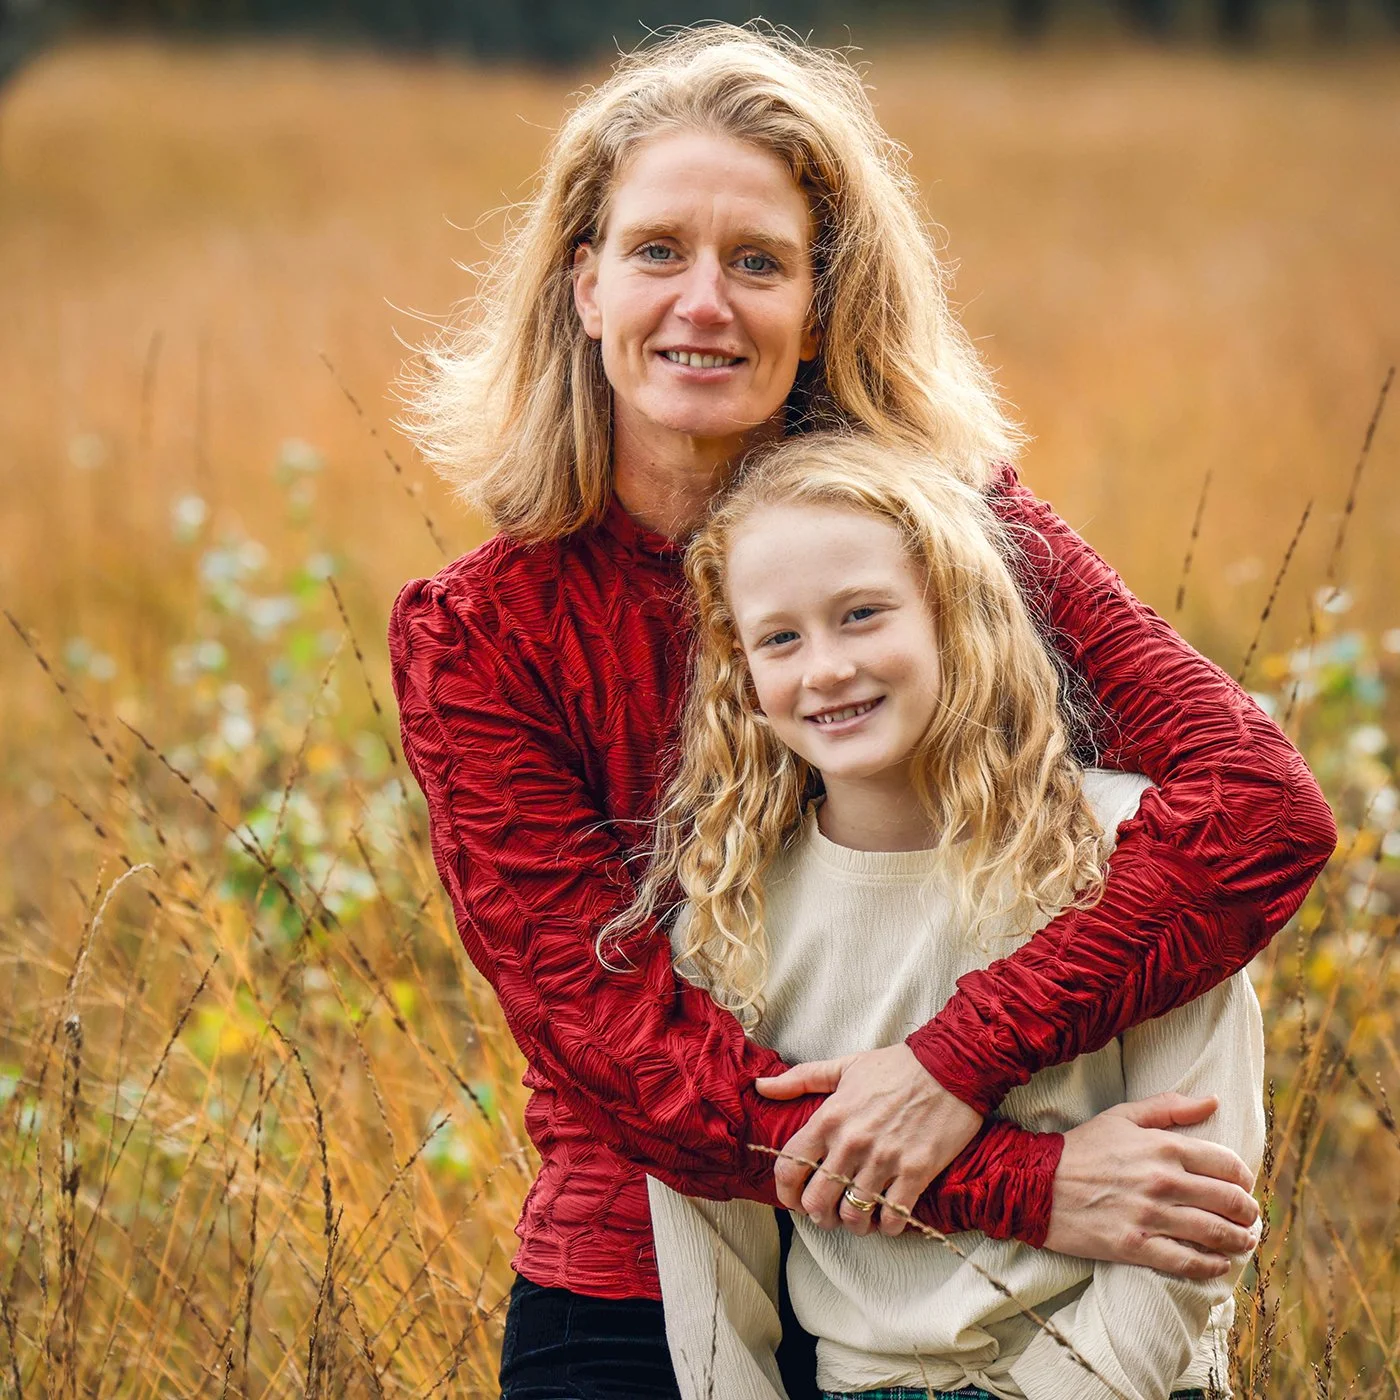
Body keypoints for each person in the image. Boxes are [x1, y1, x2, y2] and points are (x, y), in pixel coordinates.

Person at [387, 24, 1334, 1399]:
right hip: (650, 1277)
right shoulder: (480, 632)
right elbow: (622, 1050)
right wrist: (1015, 1178)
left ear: (822, 306)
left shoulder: (961, 538)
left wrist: (958, 1063)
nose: (703, 302)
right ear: (585, 286)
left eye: (757, 261)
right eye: (656, 251)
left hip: (987, 1309)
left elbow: (1260, 808)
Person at [632, 431, 1268, 1400]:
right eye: (779, 639)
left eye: (861, 615)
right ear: (741, 675)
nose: (825, 668)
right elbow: (714, 1291)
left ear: (953, 612)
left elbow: (1197, 1207)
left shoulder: (1128, 851)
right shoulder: (727, 921)